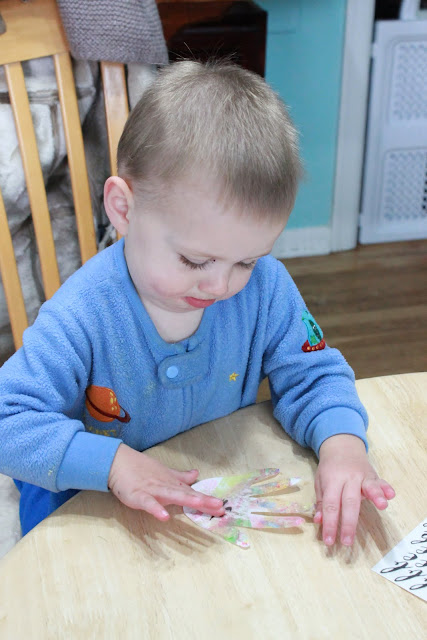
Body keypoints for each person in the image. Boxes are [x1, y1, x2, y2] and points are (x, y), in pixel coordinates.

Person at [0, 60, 395, 544]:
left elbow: (313, 373)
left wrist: (343, 444)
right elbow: (8, 420)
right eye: (195, 260)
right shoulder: (81, 314)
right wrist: (112, 465)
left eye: (246, 260)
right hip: (87, 514)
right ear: (123, 209)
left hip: (203, 503)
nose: (221, 285)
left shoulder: (265, 286)